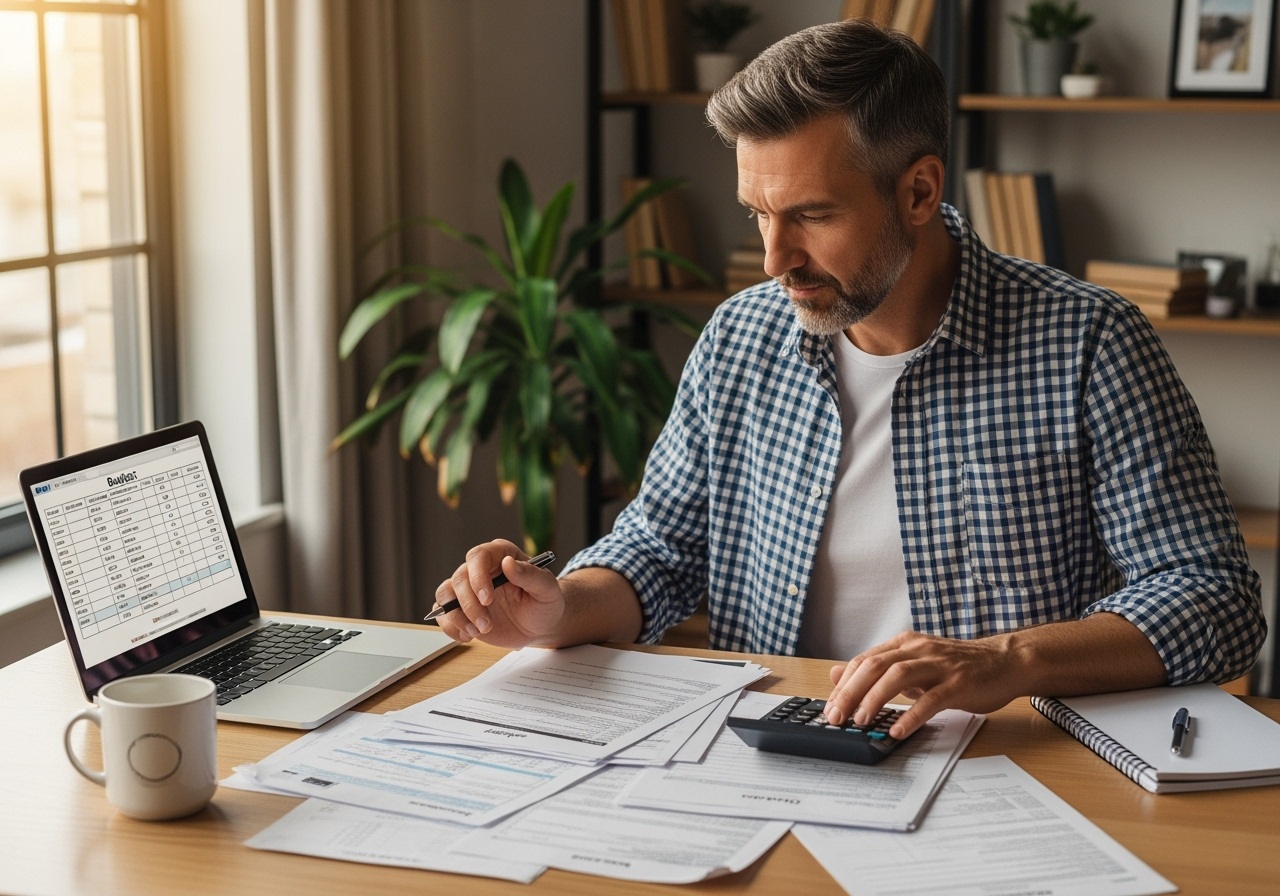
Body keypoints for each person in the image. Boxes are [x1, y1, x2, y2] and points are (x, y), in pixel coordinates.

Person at [432, 19, 1266, 739]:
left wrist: (1005, 660)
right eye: (759, 213)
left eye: (813, 215)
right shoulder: (741, 335)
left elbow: (1215, 600)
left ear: (919, 190)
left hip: (1013, 763)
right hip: (776, 753)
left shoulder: (1089, 342)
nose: (774, 259)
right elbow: (663, 547)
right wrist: (561, 608)